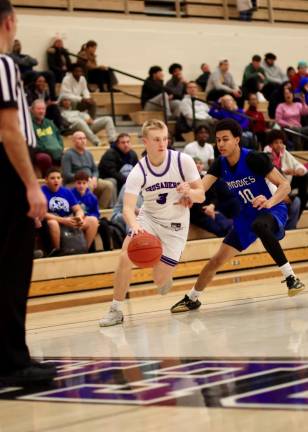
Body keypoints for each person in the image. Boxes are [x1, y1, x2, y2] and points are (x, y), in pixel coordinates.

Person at [170, 119, 305, 314]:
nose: (221, 144)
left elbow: (285, 185)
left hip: (272, 209)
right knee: (216, 260)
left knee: (260, 225)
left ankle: (291, 278)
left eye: (226, 139)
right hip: (247, 216)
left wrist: (269, 201)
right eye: (218, 140)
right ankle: (192, 298)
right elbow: (201, 191)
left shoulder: (255, 159)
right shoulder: (219, 164)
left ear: (237, 140)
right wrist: (187, 191)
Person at [99, 119, 204, 326]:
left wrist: (189, 192)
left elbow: (201, 195)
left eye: (165, 138)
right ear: (145, 142)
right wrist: (135, 226)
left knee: (160, 282)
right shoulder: (139, 171)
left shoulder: (183, 161)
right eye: (156, 139)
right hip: (150, 219)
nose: (162, 143)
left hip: (175, 226)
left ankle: (163, 270)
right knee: (125, 256)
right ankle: (116, 310)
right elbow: (128, 208)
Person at [0, 0, 56, 385]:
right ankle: (13, 362)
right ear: (10, 21)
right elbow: (9, 131)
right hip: (7, 174)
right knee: (12, 271)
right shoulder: (3, 63)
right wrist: (32, 184)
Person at [42, 168, 98, 252]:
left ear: (62, 180)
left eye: (58, 178)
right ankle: (57, 251)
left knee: (93, 220)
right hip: (55, 221)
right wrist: (63, 220)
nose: (56, 180)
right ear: (46, 180)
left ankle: (85, 250)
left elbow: (78, 209)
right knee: (52, 223)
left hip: (69, 220)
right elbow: (42, 214)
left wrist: (79, 217)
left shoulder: (66, 191)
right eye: (52, 178)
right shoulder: (42, 191)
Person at [62, 131, 116, 209]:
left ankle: (100, 209)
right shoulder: (68, 155)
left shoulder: (88, 153)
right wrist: (84, 179)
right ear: (73, 141)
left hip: (90, 180)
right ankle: (87, 210)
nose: (83, 140)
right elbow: (66, 174)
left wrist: (94, 178)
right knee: (87, 186)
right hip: (74, 182)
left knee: (109, 185)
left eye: (84, 138)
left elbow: (95, 170)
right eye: (80, 138)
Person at [264, 129, 308, 215]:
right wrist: (282, 193)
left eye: (281, 142)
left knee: (304, 176)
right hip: (273, 186)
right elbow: (270, 179)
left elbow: (299, 165)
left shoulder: (284, 152)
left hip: (286, 183)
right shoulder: (266, 155)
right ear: (270, 144)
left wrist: (298, 170)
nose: (279, 145)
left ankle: (302, 203)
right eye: (276, 142)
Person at [190, 157, 233, 237]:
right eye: (196, 163)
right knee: (222, 231)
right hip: (198, 214)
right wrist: (206, 210)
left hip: (211, 210)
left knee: (230, 227)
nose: (198, 165)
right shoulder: (188, 181)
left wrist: (212, 206)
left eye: (200, 163)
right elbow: (192, 201)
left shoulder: (206, 178)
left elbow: (215, 197)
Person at [31, 99, 64, 177]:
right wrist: (48, 149)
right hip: (40, 152)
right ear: (32, 110)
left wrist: (61, 147)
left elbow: (58, 136)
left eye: (43, 109)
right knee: (44, 158)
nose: (41, 111)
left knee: (67, 156)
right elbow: (33, 144)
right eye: (38, 109)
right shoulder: (29, 124)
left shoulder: (49, 123)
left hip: (55, 150)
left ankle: (61, 178)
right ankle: (48, 176)